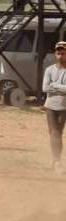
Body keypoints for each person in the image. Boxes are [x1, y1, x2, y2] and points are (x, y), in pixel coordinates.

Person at [42, 41, 66, 175]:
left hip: (63, 107)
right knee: (54, 133)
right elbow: (45, 87)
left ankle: (56, 161)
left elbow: (51, 86)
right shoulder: (49, 70)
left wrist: (55, 86)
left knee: (57, 133)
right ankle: (56, 161)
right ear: (55, 54)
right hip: (51, 106)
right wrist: (62, 89)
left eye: (63, 53)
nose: (60, 56)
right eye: (58, 53)